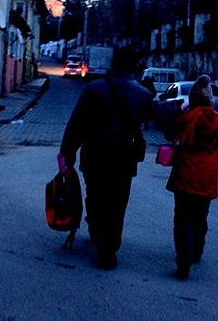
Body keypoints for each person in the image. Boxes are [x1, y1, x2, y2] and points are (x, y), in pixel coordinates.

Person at [59, 48, 153, 270]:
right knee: (118, 202)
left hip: (95, 154)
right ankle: (109, 247)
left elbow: (77, 123)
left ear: (112, 63)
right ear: (132, 67)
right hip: (124, 157)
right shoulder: (142, 94)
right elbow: (150, 119)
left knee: (96, 196)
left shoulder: (94, 89)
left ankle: (97, 233)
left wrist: (67, 153)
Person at [163, 74, 218, 280]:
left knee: (182, 218)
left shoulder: (189, 116)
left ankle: (183, 262)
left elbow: (169, 134)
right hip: (207, 175)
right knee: (200, 216)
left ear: (193, 98)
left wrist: (176, 113)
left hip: (186, 173)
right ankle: (197, 251)